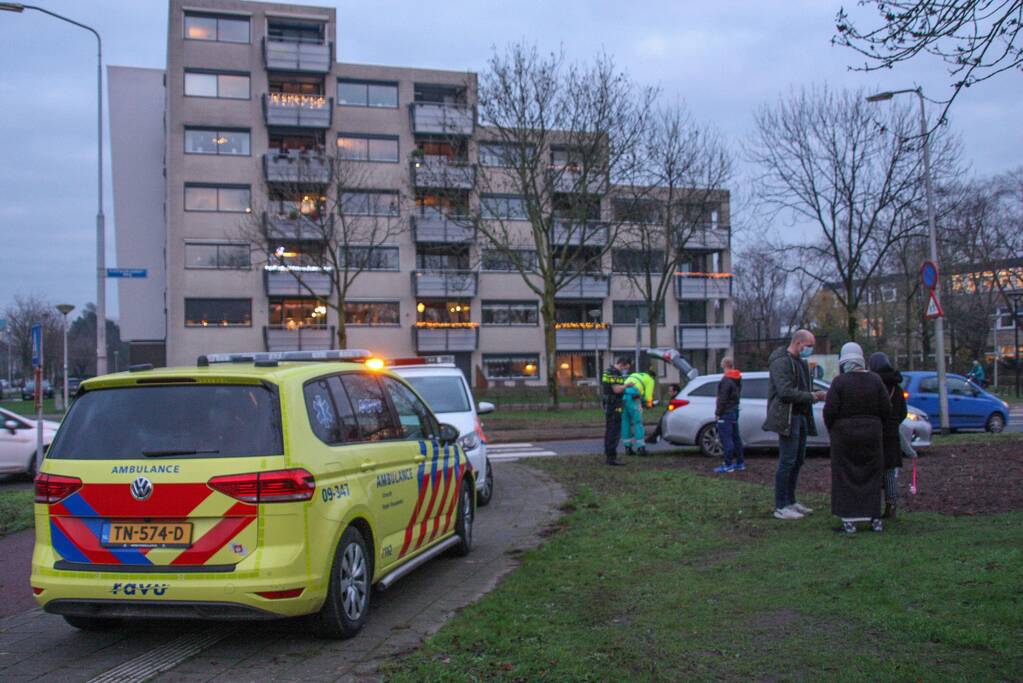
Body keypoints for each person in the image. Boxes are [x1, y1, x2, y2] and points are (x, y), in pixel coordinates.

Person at [824, 342, 892, 534]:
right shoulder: (875, 380)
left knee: (845, 475)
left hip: (844, 435)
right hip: (871, 433)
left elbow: (830, 411)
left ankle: (849, 518)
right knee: (871, 475)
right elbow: (886, 409)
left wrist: (834, 429)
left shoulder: (839, 382)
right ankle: (874, 517)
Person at [763, 329, 827, 520]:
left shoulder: (800, 362)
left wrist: (814, 393)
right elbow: (785, 392)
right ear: (798, 343)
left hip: (800, 416)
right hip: (787, 417)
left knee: (798, 460)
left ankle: (791, 500)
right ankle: (780, 505)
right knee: (787, 461)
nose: (810, 349)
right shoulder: (781, 362)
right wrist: (812, 396)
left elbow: (801, 389)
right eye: (808, 346)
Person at [869, 352, 908, 519]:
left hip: (875, 431)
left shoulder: (872, 384)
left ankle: (872, 505)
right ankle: (891, 505)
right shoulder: (896, 387)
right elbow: (903, 412)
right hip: (892, 433)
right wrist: (894, 424)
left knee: (873, 470)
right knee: (890, 471)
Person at [714, 357, 745, 473]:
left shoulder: (726, 380)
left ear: (724, 365)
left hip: (725, 413)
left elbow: (722, 398)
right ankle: (740, 462)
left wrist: (718, 413)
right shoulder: (738, 378)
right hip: (734, 411)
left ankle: (728, 464)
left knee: (726, 439)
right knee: (736, 438)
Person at [601, 357, 631, 466]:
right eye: (626, 368)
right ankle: (611, 458)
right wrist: (627, 385)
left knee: (610, 429)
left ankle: (609, 453)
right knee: (614, 430)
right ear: (622, 364)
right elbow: (616, 389)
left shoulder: (608, 371)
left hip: (609, 404)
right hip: (614, 405)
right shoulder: (614, 373)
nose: (626, 370)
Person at [622, 366, 655, 456]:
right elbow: (648, 396)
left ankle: (627, 448)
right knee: (638, 422)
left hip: (622, 396)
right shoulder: (650, 380)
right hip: (633, 397)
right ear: (652, 376)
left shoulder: (634, 374)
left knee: (625, 422)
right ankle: (641, 448)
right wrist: (649, 404)